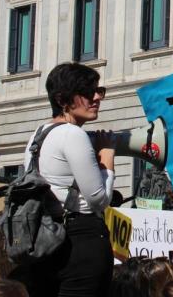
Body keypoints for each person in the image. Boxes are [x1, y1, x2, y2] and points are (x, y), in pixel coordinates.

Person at [23, 62, 117, 297]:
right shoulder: (73, 134)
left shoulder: (38, 133)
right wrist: (107, 160)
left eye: (99, 90)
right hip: (80, 240)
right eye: (87, 92)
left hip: (46, 238)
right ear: (63, 100)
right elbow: (98, 200)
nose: (96, 97)